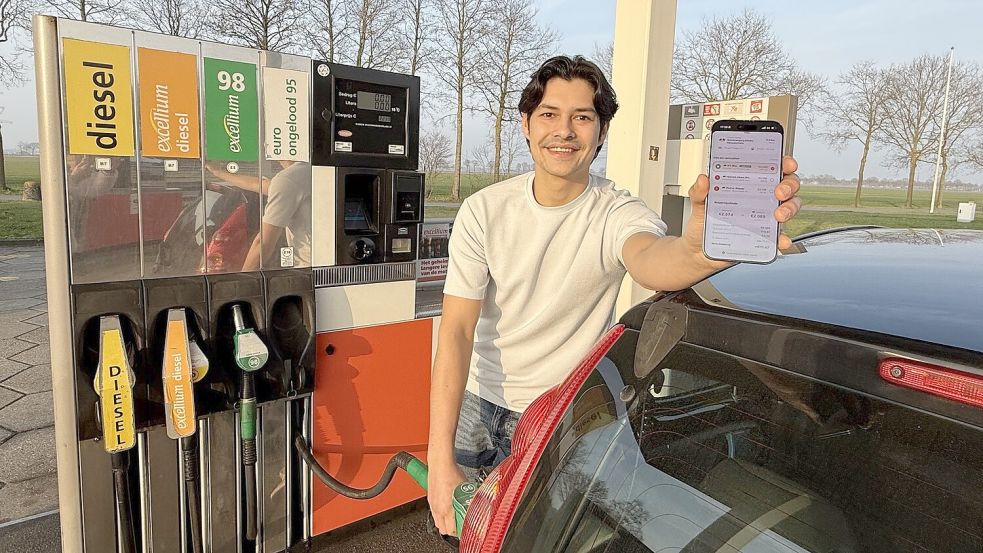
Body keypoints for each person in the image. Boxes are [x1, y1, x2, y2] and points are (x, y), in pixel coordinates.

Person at [426, 55, 802, 536]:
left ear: (601, 133)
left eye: (582, 117)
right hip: (476, 405)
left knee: (542, 540)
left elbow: (654, 258)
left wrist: (704, 249)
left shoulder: (616, 213)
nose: (564, 131)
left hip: (558, 416)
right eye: (549, 114)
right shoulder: (484, 210)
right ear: (525, 123)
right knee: (464, 532)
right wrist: (438, 460)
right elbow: (455, 330)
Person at [240, 161, 313, 270]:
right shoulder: (306, 171)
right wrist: (217, 172)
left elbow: (262, 244)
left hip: (309, 269)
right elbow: (258, 184)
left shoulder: (288, 179)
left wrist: (240, 283)